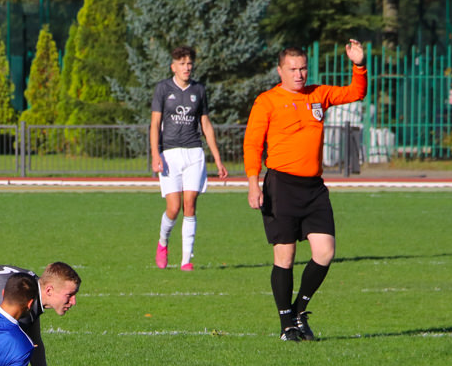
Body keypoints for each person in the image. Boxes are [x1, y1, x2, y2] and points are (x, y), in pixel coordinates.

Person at [243, 41, 367, 341]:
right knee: (284, 257)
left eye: (302, 69)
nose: (298, 75)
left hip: (314, 188)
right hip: (281, 186)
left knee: (325, 253)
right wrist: (252, 183)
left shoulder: (318, 94)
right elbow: (252, 144)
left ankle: (299, 310)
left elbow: (355, 92)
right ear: (280, 70)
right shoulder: (267, 101)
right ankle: (287, 326)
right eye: (292, 69)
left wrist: (359, 65)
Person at [150, 45, 228, 271]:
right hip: (169, 154)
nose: (187, 67)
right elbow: (155, 124)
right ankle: (163, 242)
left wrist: (218, 159)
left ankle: (186, 260)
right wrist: (156, 154)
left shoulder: (199, 90)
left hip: (194, 152)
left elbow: (206, 124)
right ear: (173, 66)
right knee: (173, 208)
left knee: (190, 205)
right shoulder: (163, 89)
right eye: (182, 64)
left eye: (189, 63)